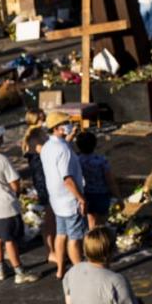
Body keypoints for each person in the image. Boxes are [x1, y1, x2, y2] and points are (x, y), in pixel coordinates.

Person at [0, 124, 38, 284]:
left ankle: (1, 270)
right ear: (0, 140)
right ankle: (19, 272)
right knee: (10, 240)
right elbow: (15, 183)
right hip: (6, 206)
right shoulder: (2, 160)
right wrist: (16, 193)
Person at [40, 112, 86, 279]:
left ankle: (60, 269)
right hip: (69, 200)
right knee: (74, 239)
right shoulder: (63, 150)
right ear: (57, 128)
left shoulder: (47, 147)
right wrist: (81, 198)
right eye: (65, 122)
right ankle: (80, 271)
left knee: (61, 235)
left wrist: (69, 138)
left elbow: (60, 151)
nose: (68, 124)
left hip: (56, 200)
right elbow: (67, 179)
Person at [23, 127, 55, 266]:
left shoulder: (34, 153)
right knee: (50, 221)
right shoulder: (38, 153)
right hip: (45, 188)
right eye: (44, 136)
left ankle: (52, 250)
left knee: (51, 220)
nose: (47, 138)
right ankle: (51, 251)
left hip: (44, 186)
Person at [75, 131, 120, 229]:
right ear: (94, 144)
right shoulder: (101, 160)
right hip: (101, 195)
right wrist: (118, 196)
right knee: (102, 222)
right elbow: (110, 180)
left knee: (91, 220)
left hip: (86, 194)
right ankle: (100, 241)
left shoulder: (77, 161)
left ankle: (92, 239)